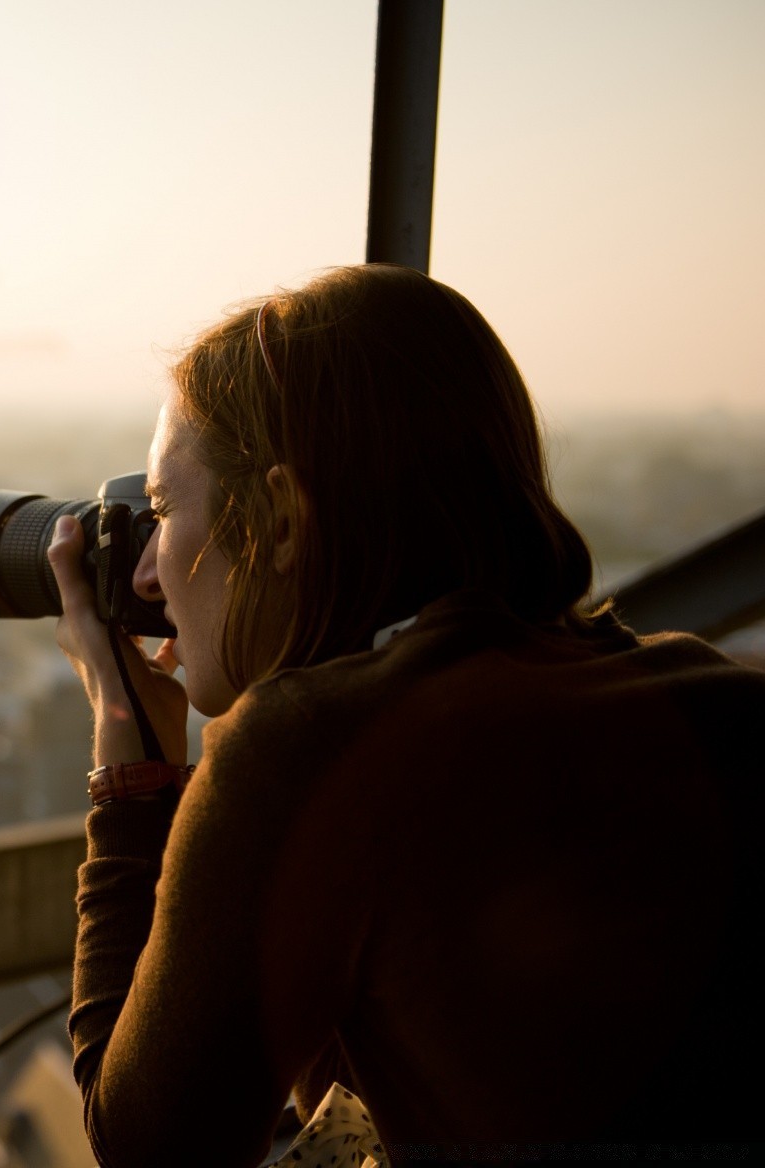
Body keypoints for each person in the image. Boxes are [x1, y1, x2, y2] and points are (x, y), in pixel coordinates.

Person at [46, 264, 764, 1167]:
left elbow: (152, 1149)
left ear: (277, 517)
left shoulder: (307, 750)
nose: (147, 575)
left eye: (159, 511)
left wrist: (128, 762)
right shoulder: (719, 697)